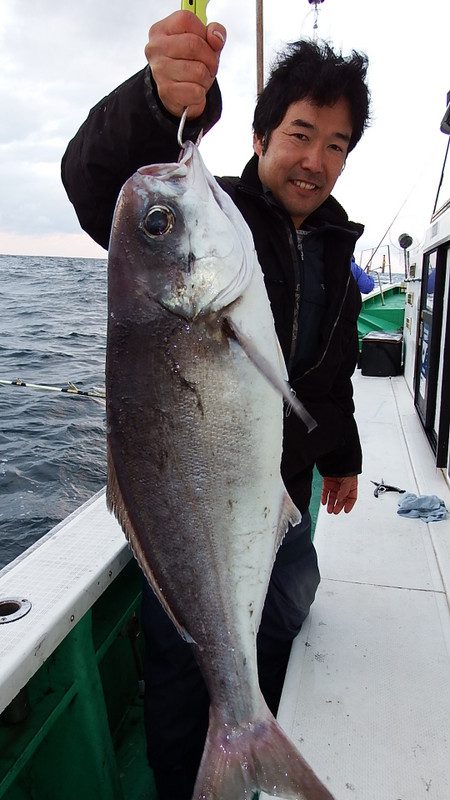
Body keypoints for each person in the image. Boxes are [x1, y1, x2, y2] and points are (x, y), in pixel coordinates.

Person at [61, 11, 370, 799]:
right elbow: (98, 185)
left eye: (336, 144)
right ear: (262, 137)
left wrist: (342, 458)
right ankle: (190, 777)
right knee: (179, 659)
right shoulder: (220, 215)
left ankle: (252, 725)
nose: (316, 160)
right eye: (301, 134)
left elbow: (329, 374)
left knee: (281, 614)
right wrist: (160, 105)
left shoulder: (336, 244)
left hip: (282, 486)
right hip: (191, 502)